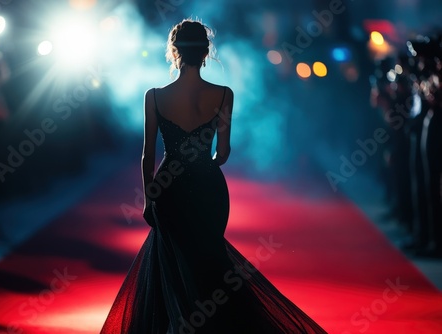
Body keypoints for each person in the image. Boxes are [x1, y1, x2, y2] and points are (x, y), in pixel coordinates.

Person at [100, 19, 327, 334]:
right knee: (210, 263)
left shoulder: (154, 97)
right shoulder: (224, 95)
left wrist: (149, 197)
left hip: (169, 189)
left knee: (174, 265)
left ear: (174, 52)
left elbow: (147, 155)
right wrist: (201, 163)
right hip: (209, 187)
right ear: (206, 53)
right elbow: (223, 154)